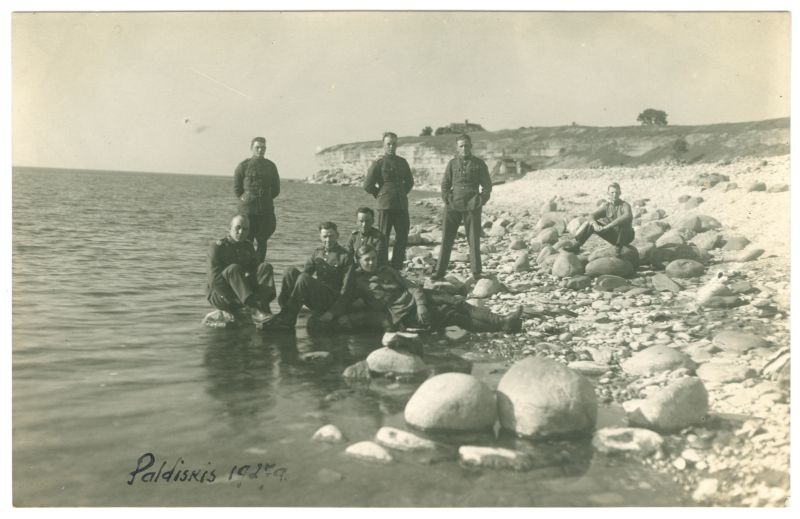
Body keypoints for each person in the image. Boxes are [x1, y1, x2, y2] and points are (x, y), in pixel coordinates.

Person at [322, 244, 522, 334]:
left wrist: (421, 305)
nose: (372, 262)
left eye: (374, 258)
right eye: (367, 260)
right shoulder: (356, 281)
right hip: (402, 314)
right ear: (358, 261)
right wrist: (330, 316)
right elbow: (344, 299)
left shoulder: (387, 270)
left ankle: (502, 321)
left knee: (458, 302)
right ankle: (501, 326)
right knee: (452, 315)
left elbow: (412, 286)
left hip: (417, 301)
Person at [262, 221, 353, 331]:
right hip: (318, 297)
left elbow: (347, 291)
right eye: (325, 236)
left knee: (303, 279)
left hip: (331, 299)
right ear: (320, 237)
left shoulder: (345, 256)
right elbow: (305, 273)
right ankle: (285, 313)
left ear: (337, 236)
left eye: (331, 236)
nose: (328, 240)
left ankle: (288, 318)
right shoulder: (317, 252)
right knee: (289, 271)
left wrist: (332, 313)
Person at [432, 134, 492, 281]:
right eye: (461, 146)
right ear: (457, 148)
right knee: (446, 238)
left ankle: (476, 272)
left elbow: (487, 186)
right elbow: (445, 184)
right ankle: (440, 272)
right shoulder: (452, 164)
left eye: (466, 145)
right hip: (453, 204)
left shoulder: (479, 164)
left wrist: (480, 200)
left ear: (471, 146)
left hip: (472, 205)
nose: (464, 148)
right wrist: (447, 199)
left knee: (473, 239)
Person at [206, 215, 275, 323]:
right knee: (234, 268)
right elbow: (214, 281)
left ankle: (264, 308)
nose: (241, 231)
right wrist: (235, 299)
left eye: (245, 229)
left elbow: (255, 272)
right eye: (237, 228)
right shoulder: (217, 247)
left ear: (248, 232)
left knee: (264, 267)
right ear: (229, 229)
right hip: (221, 295)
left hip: (243, 294)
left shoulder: (248, 246)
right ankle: (253, 310)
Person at [364, 131, 414, 270]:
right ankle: (382, 266)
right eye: (388, 144)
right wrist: (381, 195)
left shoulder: (402, 162)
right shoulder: (378, 163)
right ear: (383, 145)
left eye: (394, 144)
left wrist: (402, 193)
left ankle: (397, 266)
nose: (391, 147)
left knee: (402, 236)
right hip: (385, 206)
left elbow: (409, 182)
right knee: (383, 237)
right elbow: (367, 185)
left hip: (402, 206)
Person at [234, 136, 281, 262]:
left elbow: (276, 190)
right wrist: (249, 199)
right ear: (251, 148)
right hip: (247, 211)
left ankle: (259, 268)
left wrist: (264, 198)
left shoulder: (271, 166)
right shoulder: (243, 166)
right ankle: (247, 268)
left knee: (262, 240)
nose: (260, 150)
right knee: (246, 239)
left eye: (263, 148)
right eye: (257, 147)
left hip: (265, 211)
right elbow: (237, 189)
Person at [573, 182, 635, 251]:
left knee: (623, 225)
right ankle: (577, 246)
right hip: (614, 236)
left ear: (620, 193)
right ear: (608, 193)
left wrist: (608, 227)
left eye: (617, 193)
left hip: (626, 236)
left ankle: (618, 249)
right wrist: (595, 224)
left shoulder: (625, 205)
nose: (615, 195)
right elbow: (591, 215)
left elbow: (626, 216)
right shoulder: (607, 206)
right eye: (612, 193)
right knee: (591, 224)